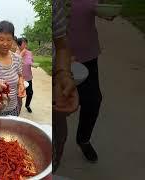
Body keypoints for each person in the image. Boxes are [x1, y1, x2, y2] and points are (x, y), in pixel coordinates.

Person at [66, 0, 115, 163]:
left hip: (88, 55)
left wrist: (108, 11)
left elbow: (100, 10)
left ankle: (83, 140)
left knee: (93, 101)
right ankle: (54, 142)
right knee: (61, 104)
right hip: (60, 59)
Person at [52, 0, 79, 174]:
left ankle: (55, 161)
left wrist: (63, 73)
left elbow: (61, 44)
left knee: (58, 125)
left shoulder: (54, 4)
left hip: (53, 86)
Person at [17, 37, 34, 113]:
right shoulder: (16, 54)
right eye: (24, 44)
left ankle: (27, 105)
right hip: (19, 79)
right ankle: (17, 108)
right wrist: (21, 54)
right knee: (18, 94)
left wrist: (32, 64)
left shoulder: (30, 53)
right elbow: (15, 64)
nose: (26, 45)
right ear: (19, 45)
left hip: (28, 77)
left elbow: (31, 61)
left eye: (26, 43)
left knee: (30, 93)